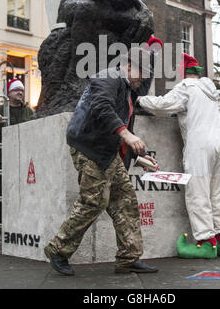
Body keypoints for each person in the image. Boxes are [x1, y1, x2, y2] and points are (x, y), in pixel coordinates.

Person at [44, 48, 159, 276]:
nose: (144, 78)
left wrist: (139, 157)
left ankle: (129, 257)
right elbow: (102, 108)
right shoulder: (108, 77)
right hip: (89, 147)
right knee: (93, 202)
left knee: (125, 201)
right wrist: (127, 135)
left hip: (107, 152)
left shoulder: (127, 91)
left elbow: (125, 128)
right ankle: (58, 250)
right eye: (142, 72)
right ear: (129, 65)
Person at [137, 53, 220, 259]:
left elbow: (163, 105)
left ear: (182, 73)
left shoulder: (186, 87)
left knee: (197, 192)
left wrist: (139, 99)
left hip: (198, 146)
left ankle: (206, 243)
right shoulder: (210, 91)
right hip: (218, 146)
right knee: (216, 192)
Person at [0, 79, 33, 248]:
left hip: (23, 159)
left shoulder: (28, 111)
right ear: (9, 93)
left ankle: (18, 230)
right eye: (16, 90)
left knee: (22, 196)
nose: (20, 93)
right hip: (3, 160)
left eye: (22, 90)